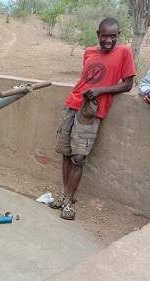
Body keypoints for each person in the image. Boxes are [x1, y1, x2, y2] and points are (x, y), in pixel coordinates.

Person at [49, 18, 136, 220]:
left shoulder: (124, 52)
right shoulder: (89, 52)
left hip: (91, 111)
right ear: (98, 35)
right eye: (104, 36)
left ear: (118, 36)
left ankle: (69, 203)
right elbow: (86, 79)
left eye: (113, 36)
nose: (108, 40)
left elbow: (128, 85)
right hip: (71, 104)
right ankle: (64, 196)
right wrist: (90, 89)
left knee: (78, 158)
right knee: (66, 153)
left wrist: (99, 90)